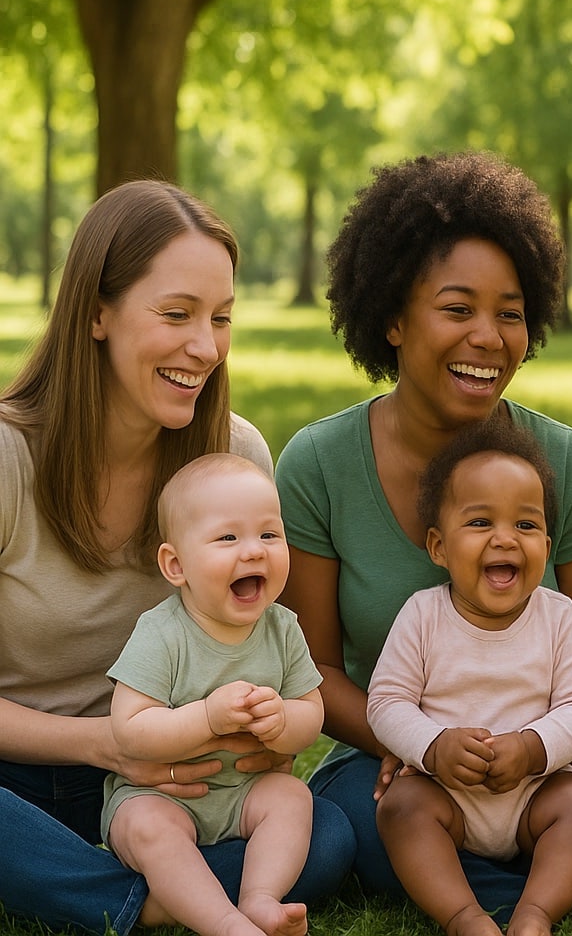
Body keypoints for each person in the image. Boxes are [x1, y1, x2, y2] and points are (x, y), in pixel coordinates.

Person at [276, 151, 572, 915]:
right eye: (457, 309)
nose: (489, 336)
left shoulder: (564, 461)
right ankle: (484, 890)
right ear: (393, 319)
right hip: (393, 756)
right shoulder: (318, 463)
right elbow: (313, 671)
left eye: (509, 313)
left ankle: (495, 888)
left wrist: (548, 746)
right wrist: (419, 749)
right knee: (369, 835)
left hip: (533, 760)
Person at [0, 180, 353, 935]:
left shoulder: (234, 457)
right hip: (22, 778)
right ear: (96, 312)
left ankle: (139, 890)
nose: (206, 347)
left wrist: (262, 726)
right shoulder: (7, 459)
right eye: (176, 314)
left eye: (221, 318)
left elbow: (270, 652)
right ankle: (149, 902)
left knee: (324, 836)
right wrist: (106, 743)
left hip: (184, 790)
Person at [367, 417, 572, 936]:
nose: (505, 539)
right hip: (443, 791)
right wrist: (432, 746)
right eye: (480, 523)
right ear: (438, 547)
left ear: (547, 543)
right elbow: (386, 702)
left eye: (526, 526)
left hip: (535, 791)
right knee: (401, 808)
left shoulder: (558, 615)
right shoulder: (423, 615)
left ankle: (534, 913)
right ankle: (464, 917)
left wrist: (533, 747)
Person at [104, 455, 324, 936]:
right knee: (146, 826)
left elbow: (312, 711)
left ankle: (260, 898)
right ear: (176, 564)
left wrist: (283, 720)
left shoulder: (282, 628)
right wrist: (207, 716)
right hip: (160, 796)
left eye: (269, 534)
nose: (254, 552)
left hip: (243, 792)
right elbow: (130, 728)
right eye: (228, 538)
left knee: (292, 796)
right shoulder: (161, 633)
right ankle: (225, 924)